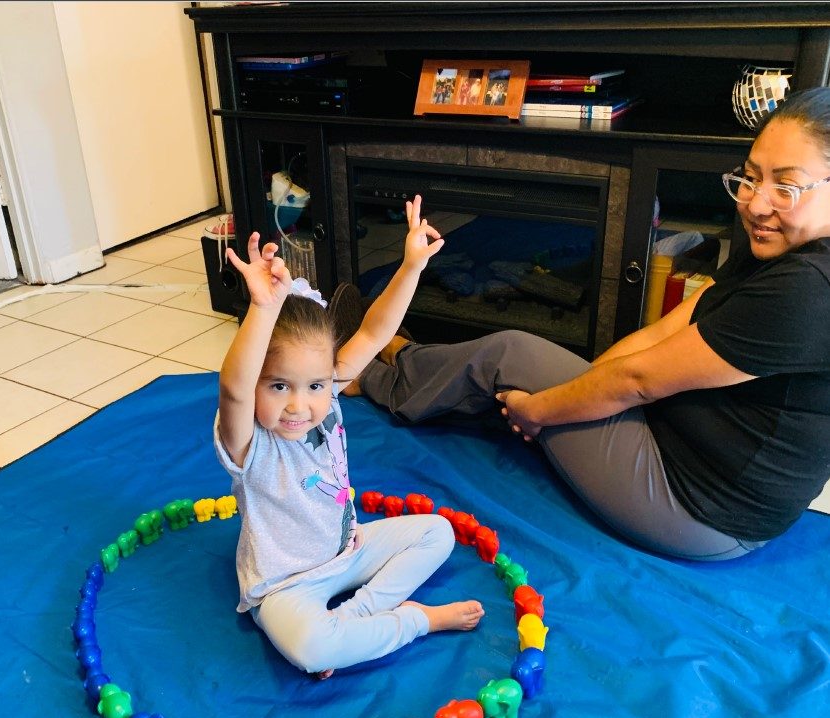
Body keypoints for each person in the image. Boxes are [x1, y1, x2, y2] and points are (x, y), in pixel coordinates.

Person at [342, 87, 830, 561]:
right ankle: (395, 350)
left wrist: (541, 412)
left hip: (696, 506)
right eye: (749, 178)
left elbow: (636, 382)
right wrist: (580, 391)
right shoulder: (780, 243)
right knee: (532, 371)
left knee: (506, 357)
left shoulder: (808, 289)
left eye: (786, 187)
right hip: (683, 452)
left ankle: (368, 374)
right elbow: (669, 330)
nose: (756, 203)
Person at [215, 195, 484, 678]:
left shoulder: (327, 397)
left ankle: (355, 619)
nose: (300, 405)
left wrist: (410, 267)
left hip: (349, 551)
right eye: (279, 386)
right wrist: (261, 307)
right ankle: (413, 622)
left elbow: (376, 333)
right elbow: (234, 388)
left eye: (315, 385)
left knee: (437, 533)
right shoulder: (249, 440)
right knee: (312, 650)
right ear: (257, 381)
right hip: (285, 587)